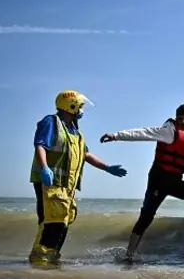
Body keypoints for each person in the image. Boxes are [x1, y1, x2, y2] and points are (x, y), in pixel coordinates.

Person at [29, 90, 127, 265]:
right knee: (50, 221)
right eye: (80, 106)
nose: (82, 109)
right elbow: (40, 145)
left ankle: (51, 257)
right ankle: (39, 260)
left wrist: (107, 168)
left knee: (64, 219)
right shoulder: (51, 122)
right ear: (70, 105)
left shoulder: (76, 131)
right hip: (50, 182)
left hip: (67, 186)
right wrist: (44, 168)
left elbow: (85, 154)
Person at [99, 104, 184, 262]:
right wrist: (116, 136)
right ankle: (129, 255)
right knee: (146, 217)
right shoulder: (168, 132)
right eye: (180, 119)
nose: (183, 122)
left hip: (175, 182)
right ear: (176, 119)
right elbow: (143, 133)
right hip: (158, 180)